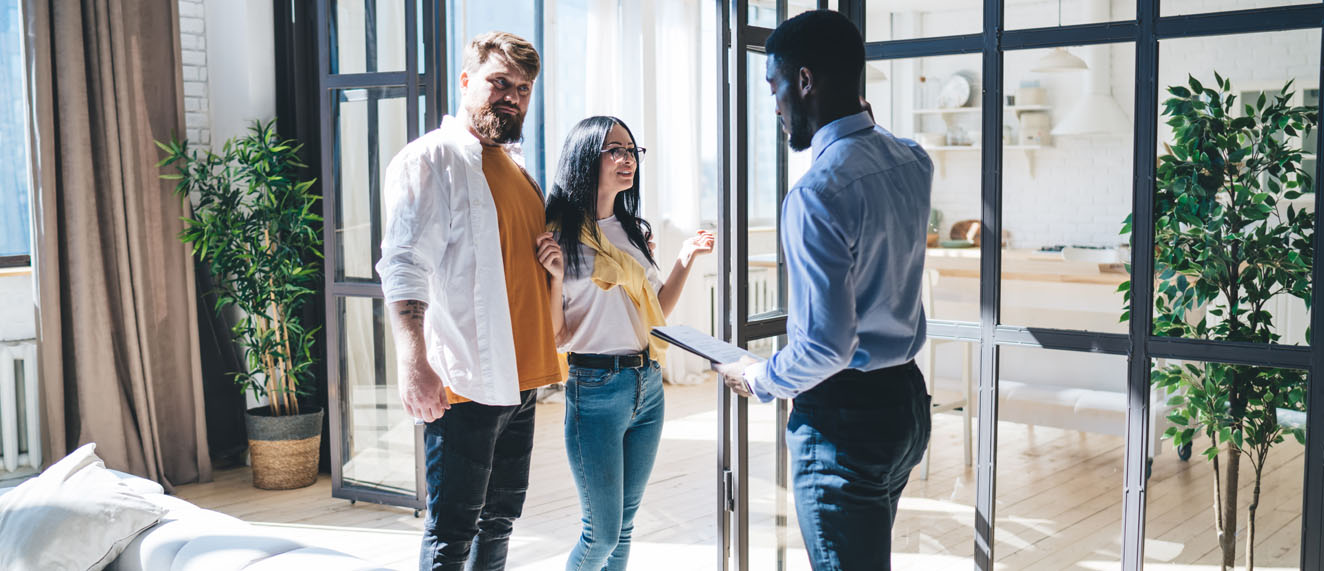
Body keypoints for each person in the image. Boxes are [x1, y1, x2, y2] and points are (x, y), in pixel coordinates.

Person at [714, 10, 933, 571]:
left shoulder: (816, 193)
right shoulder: (912, 161)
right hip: (905, 406)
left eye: (776, 89)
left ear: (805, 81)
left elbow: (827, 348)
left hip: (844, 423)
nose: (777, 109)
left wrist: (758, 377)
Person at [376, 31, 562, 571]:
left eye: (523, 89)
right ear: (465, 81)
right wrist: (415, 364)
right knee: (452, 529)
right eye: (498, 83)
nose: (511, 97)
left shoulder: (518, 169)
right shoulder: (431, 159)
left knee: (499, 519)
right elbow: (405, 264)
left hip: (521, 378)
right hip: (465, 381)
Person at [540, 116, 714, 571]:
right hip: (594, 386)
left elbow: (656, 310)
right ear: (585, 158)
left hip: (648, 385)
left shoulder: (631, 229)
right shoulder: (556, 234)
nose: (627, 159)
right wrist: (556, 278)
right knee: (601, 535)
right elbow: (557, 335)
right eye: (614, 150)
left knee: (625, 529)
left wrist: (684, 258)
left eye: (632, 150)